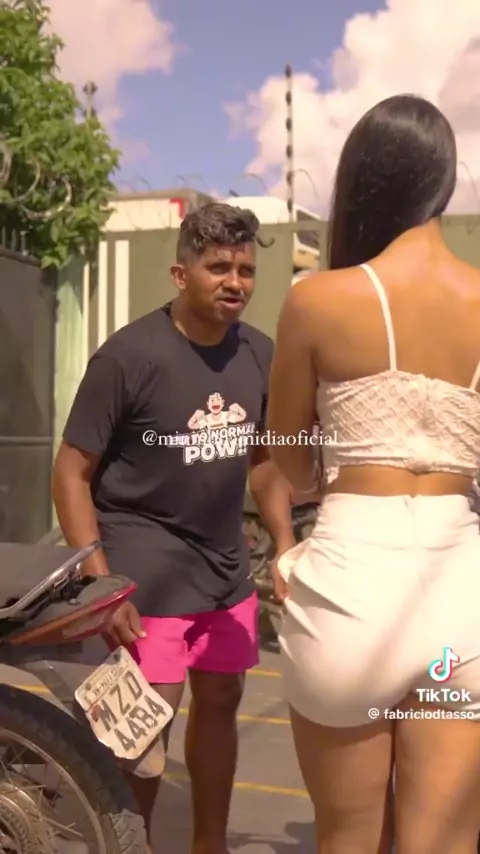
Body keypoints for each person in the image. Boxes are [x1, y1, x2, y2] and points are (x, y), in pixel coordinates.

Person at [265, 94, 480, 854]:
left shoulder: (319, 299)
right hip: (460, 608)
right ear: (443, 181)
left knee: (349, 839)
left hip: (350, 601)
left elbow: (289, 458)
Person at [51, 202, 294, 854]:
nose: (235, 282)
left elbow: (265, 460)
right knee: (142, 730)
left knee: (221, 702)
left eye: (245, 270)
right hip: (143, 572)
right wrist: (101, 584)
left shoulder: (259, 354)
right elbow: (70, 472)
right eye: (218, 268)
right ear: (180, 274)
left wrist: (284, 541)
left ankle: (209, 844)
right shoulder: (129, 356)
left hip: (224, 570)